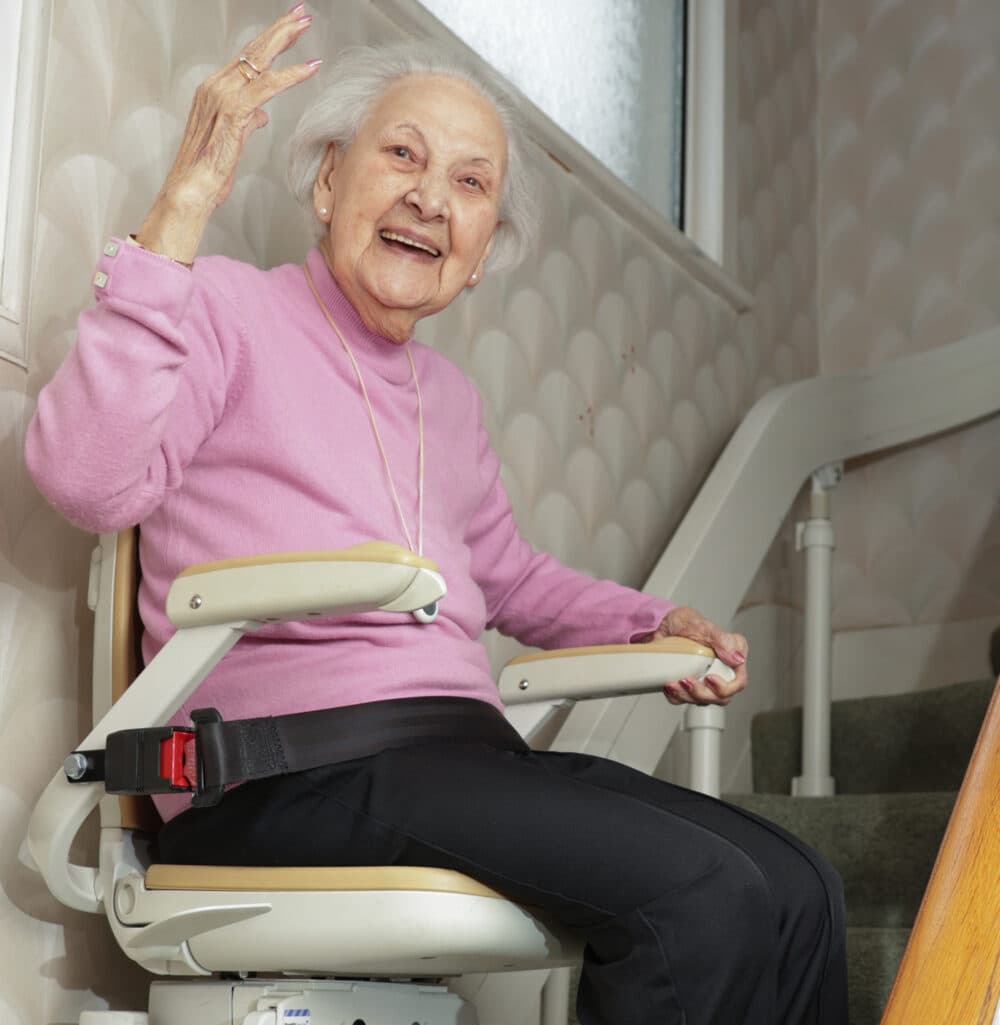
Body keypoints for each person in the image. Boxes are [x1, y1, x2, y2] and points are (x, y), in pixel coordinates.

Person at [26, 8, 847, 1024]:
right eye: (401, 154)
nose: (429, 196)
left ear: (483, 249)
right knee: (699, 893)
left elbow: (508, 573)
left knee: (802, 885)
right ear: (328, 183)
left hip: (456, 756)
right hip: (288, 768)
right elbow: (86, 480)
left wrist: (653, 621)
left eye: (470, 182)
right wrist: (183, 206)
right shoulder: (224, 309)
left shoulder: (448, 399)